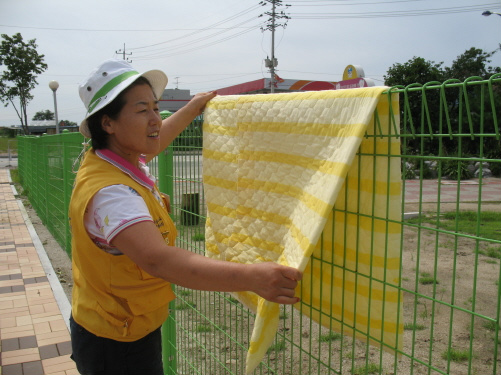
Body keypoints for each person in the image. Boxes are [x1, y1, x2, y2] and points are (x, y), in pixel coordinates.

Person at [69, 58, 302, 375]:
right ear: (108, 123)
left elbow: (158, 138)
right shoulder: (112, 194)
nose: (155, 119)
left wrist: (194, 106)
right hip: (116, 340)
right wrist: (252, 277)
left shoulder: (109, 159)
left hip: (118, 321)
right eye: (142, 110)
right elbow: (157, 261)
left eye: (155, 107)